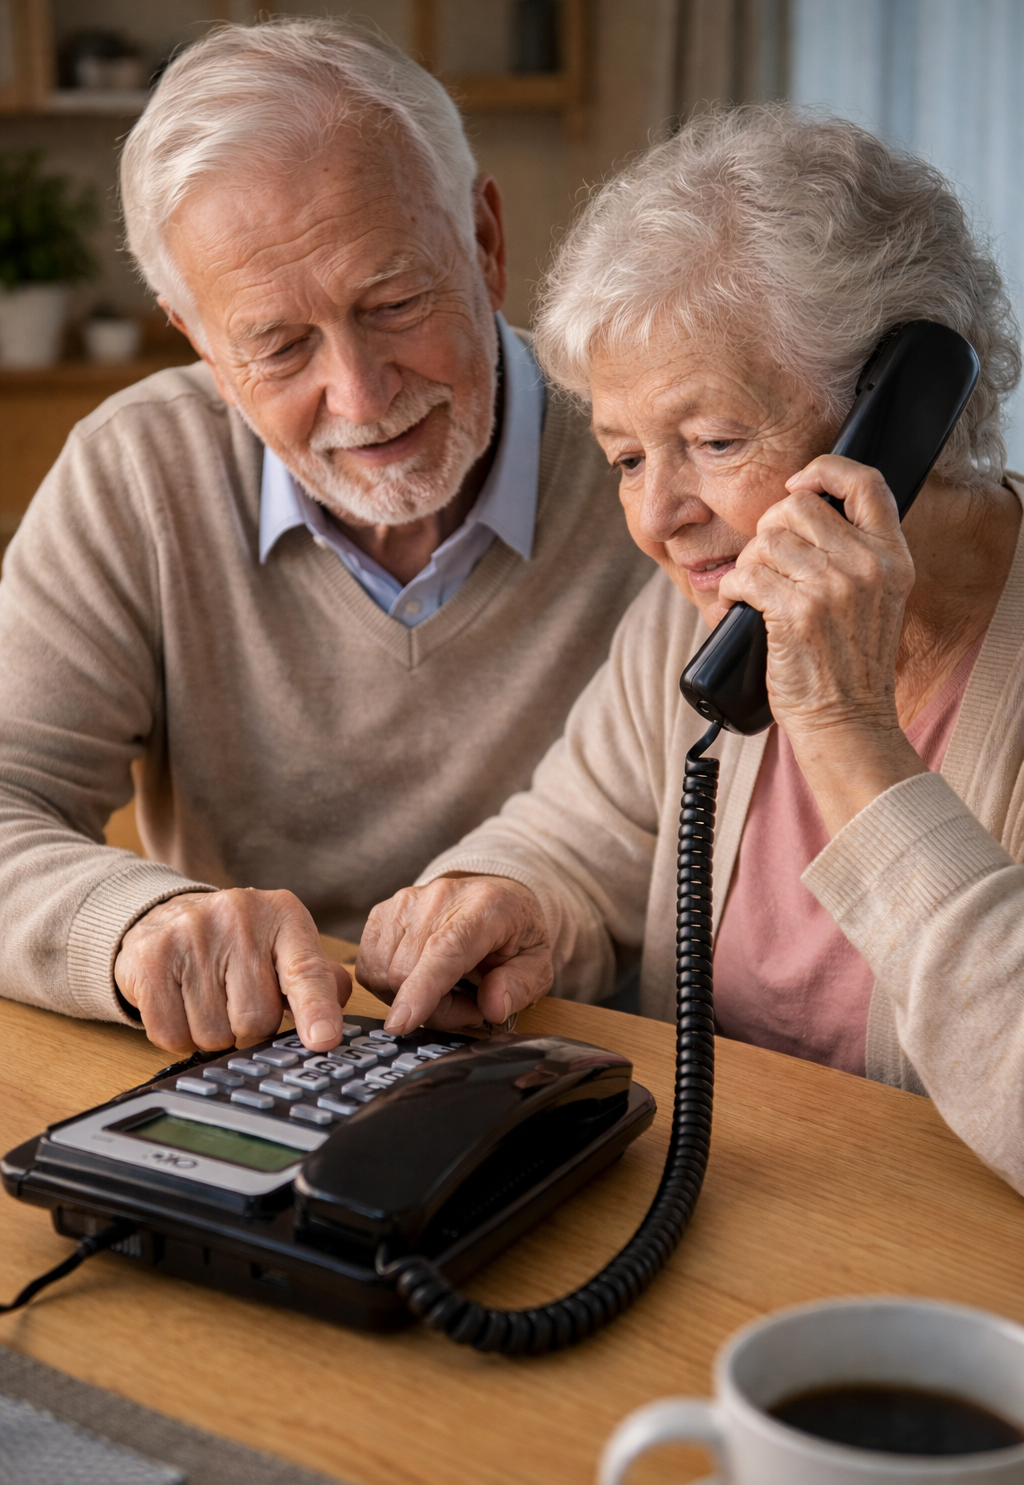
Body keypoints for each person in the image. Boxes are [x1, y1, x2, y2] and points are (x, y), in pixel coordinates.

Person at [357, 107, 1024, 1195]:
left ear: (904, 413)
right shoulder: (703, 608)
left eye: (713, 443)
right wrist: (512, 898)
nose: (660, 515)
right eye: (626, 458)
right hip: (723, 1234)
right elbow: (584, 832)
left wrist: (848, 731)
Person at [0, 20, 651, 1056]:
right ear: (202, 345)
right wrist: (137, 926)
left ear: (484, 242)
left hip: (584, 1062)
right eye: (278, 344)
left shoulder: (655, 459)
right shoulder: (137, 471)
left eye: (392, 303)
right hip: (263, 1060)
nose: (359, 393)